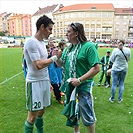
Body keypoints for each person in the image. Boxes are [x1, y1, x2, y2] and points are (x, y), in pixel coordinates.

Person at [56, 22, 100, 133]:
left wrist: (80, 80)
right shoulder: (68, 49)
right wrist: (57, 57)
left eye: (69, 31)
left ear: (76, 33)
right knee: (73, 113)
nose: (67, 34)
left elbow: (96, 68)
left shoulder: (88, 46)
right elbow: (61, 64)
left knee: (87, 115)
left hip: (83, 87)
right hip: (70, 87)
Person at [24, 15, 62, 133]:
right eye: (49, 29)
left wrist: (49, 81)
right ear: (42, 27)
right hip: (34, 82)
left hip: (44, 81)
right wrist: (55, 57)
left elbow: (45, 66)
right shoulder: (31, 42)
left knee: (41, 111)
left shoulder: (41, 43)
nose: (51, 32)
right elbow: (38, 65)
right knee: (32, 116)